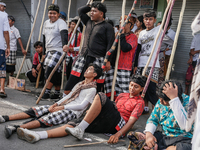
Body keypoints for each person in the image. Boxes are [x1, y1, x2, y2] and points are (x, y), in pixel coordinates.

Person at [14, 75, 145, 144]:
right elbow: (112, 109)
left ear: (141, 89)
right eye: (131, 85)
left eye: (136, 87)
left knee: (101, 95)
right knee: (72, 124)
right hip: (107, 121)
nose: (132, 88)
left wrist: (118, 135)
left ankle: (80, 129)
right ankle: (39, 135)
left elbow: (131, 122)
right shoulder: (122, 95)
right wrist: (91, 112)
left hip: (119, 124)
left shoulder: (140, 102)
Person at [0, 64, 102, 139]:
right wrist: (56, 104)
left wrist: (62, 107)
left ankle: (15, 127)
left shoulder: (92, 89)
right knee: (38, 109)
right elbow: (69, 96)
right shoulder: (80, 84)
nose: (86, 70)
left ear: (94, 74)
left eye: (89, 69)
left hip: (72, 112)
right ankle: (5, 118)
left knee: (48, 118)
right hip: (64, 105)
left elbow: (82, 106)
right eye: (87, 68)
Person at [63, 2, 115, 96]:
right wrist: (90, 5)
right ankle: (68, 97)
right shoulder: (88, 22)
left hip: (98, 58)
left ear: (101, 13)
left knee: (95, 82)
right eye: (91, 11)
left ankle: (92, 103)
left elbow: (110, 45)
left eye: (94, 11)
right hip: (83, 56)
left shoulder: (107, 27)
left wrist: (108, 60)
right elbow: (80, 11)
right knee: (74, 78)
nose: (91, 13)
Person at [130, 81, 193, 150]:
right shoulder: (162, 100)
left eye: (164, 100)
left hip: (183, 139)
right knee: (136, 134)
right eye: (160, 99)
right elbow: (153, 119)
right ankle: (155, 145)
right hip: (164, 136)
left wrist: (174, 100)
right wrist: (149, 134)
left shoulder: (189, 103)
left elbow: (185, 126)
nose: (160, 102)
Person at [133, 10, 161, 114]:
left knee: (152, 89)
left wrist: (169, 4)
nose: (148, 21)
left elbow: (167, 18)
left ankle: (156, 111)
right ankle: (144, 108)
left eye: (150, 19)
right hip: (141, 63)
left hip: (152, 64)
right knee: (141, 87)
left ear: (154, 20)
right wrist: (135, 64)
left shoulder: (158, 30)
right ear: (143, 20)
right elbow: (138, 50)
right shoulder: (141, 33)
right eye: (146, 19)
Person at [105, 15, 138, 98]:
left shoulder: (133, 37)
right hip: (113, 66)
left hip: (124, 66)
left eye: (123, 23)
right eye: (120, 23)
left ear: (130, 25)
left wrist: (122, 35)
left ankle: (124, 107)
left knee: (124, 90)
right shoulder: (117, 35)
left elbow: (125, 48)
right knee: (112, 89)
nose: (121, 25)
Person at [41, 4, 68, 100]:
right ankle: (56, 93)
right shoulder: (46, 23)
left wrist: (65, 44)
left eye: (54, 13)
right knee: (56, 72)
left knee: (49, 70)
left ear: (58, 14)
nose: (52, 15)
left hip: (58, 50)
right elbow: (44, 38)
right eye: (50, 13)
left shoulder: (61, 23)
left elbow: (64, 34)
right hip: (49, 50)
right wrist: (44, 53)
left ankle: (47, 92)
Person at [6, 15, 27, 81]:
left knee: (11, 66)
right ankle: (2, 79)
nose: (7, 22)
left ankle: (10, 79)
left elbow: (19, 39)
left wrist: (22, 49)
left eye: (9, 20)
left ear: (13, 22)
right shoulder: (4, 28)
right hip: (4, 49)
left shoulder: (15, 30)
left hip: (12, 49)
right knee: (3, 65)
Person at [158, 17, 174, 87]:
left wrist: (165, 49)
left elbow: (174, 44)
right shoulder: (155, 35)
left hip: (160, 56)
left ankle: (159, 89)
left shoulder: (165, 36)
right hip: (151, 57)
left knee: (160, 74)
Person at [0, 9, 10, 98]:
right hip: (0, 46)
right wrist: (8, 46)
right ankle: (2, 88)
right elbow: (6, 32)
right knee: (2, 67)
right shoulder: (3, 15)